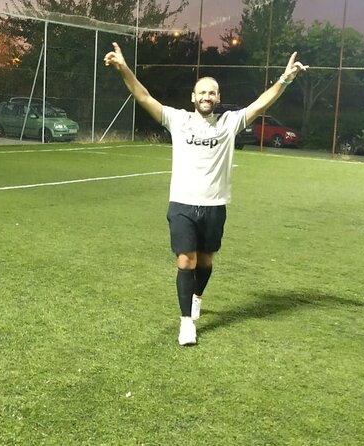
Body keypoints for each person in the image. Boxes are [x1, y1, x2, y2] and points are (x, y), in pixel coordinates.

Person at [104, 42, 308, 346]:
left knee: (206, 261)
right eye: (202, 92)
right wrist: (124, 68)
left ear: (218, 98)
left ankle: (197, 295)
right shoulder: (178, 120)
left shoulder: (229, 123)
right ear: (193, 97)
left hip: (214, 206)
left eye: (212, 93)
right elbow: (143, 96)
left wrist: (285, 78)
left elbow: (261, 104)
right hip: (183, 205)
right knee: (185, 261)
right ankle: (186, 322)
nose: (207, 97)